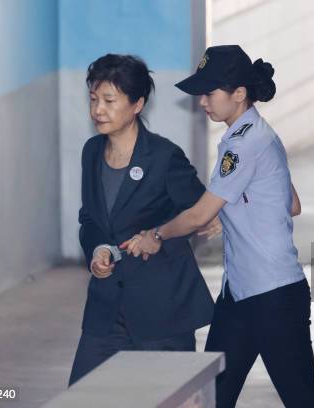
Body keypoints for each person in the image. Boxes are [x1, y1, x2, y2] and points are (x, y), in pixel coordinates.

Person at [120, 45, 314, 407]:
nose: (203, 101)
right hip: (239, 296)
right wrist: (233, 210)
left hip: (273, 295)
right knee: (211, 397)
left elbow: (200, 214)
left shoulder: (243, 143)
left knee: (302, 400)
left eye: (210, 92)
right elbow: (290, 204)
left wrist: (155, 235)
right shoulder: (262, 134)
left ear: (239, 94)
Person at [68, 54, 216, 386]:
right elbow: (89, 218)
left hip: (161, 307)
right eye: (93, 100)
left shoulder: (164, 157)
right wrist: (96, 250)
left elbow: (201, 213)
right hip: (106, 309)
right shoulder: (91, 152)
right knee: (82, 395)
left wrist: (159, 236)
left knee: (170, 397)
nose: (98, 110)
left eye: (109, 100)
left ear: (137, 104)